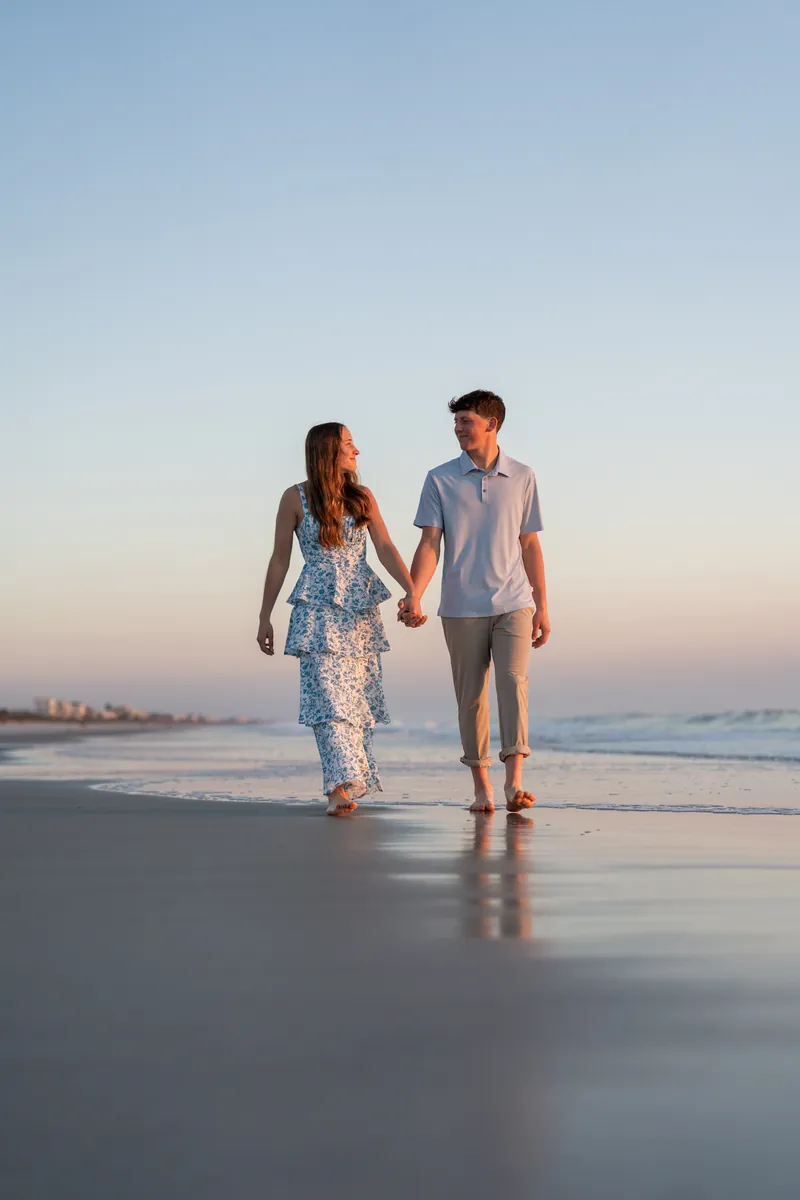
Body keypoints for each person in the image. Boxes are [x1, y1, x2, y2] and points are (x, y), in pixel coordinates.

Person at [257, 423, 425, 816]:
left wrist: (412, 590)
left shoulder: (362, 497)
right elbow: (280, 557)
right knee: (328, 699)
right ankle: (338, 788)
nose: (357, 452)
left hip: (358, 610)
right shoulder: (294, 497)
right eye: (349, 445)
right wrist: (265, 615)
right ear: (328, 451)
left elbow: (384, 546)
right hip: (315, 611)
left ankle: (350, 781)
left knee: (356, 701)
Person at [400, 390, 550, 813]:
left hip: (514, 601)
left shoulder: (523, 476)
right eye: (456, 422)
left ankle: (514, 783)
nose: (458, 428)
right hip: (461, 605)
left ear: (492, 424)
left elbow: (531, 546)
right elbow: (429, 542)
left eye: (466, 421)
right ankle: (482, 786)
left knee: (514, 683)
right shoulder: (440, 478)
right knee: (471, 696)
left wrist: (543, 606)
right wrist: (414, 594)